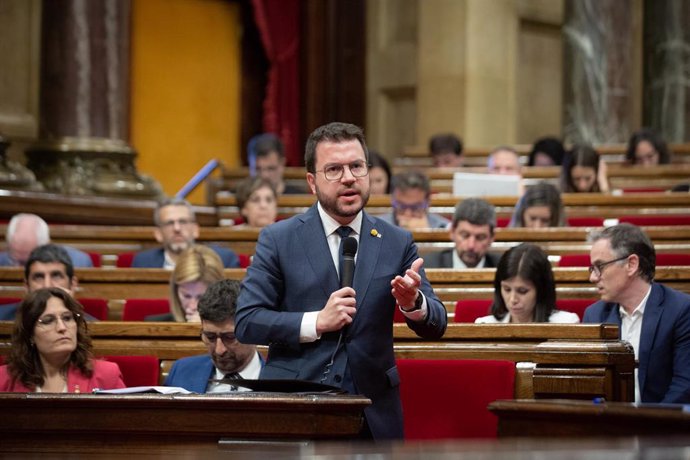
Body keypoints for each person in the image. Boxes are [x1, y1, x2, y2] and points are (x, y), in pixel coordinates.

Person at [235, 122, 447, 440]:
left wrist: (414, 304)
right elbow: (248, 322)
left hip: (372, 412)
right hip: (295, 405)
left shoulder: (396, 241)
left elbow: (437, 323)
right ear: (311, 181)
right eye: (333, 169)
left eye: (356, 167)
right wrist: (316, 322)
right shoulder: (279, 239)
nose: (348, 177)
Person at [583, 224, 690, 403]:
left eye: (599, 266)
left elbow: (685, 384)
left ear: (631, 265)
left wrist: (647, 426)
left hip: (665, 426)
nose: (593, 277)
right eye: (592, 269)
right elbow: (589, 384)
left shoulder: (681, 310)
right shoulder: (594, 315)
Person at [0, 287, 125, 392]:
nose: (62, 327)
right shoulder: (4, 379)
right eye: (48, 321)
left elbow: (126, 420)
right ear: (30, 334)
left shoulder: (107, 375)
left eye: (67, 318)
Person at [165, 279, 262, 393]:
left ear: (254, 331)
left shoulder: (281, 377)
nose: (219, 350)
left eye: (230, 337)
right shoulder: (181, 371)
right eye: (210, 337)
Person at [476, 243, 579, 324]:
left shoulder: (566, 323)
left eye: (522, 291)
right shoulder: (484, 324)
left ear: (541, 289)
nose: (513, 300)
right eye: (507, 289)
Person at [132, 197, 239, 269]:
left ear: (195, 230)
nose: (177, 228)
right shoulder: (142, 263)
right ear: (158, 234)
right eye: (169, 223)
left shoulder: (223, 259)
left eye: (183, 221)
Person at [0, 244, 96, 322]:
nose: (47, 285)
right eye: (38, 277)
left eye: (56, 276)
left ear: (73, 284)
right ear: (26, 286)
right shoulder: (2, 318)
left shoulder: (90, 326)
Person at [146, 245, 225, 322]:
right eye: (186, 296)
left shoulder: (234, 328)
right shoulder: (154, 325)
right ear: (176, 291)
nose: (193, 306)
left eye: (201, 298)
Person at [425, 198, 500, 269]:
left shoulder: (502, 269)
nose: (471, 246)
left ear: (492, 238)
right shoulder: (428, 266)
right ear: (452, 232)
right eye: (465, 235)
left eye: (480, 238)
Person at [0, 213, 92, 268]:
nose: (22, 268)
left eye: (27, 262)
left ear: (47, 245)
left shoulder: (78, 263)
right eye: (15, 261)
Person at [378, 170, 450, 230]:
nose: (407, 214)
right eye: (401, 206)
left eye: (415, 207)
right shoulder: (377, 227)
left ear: (428, 202)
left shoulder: (444, 228)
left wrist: (425, 234)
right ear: (392, 200)